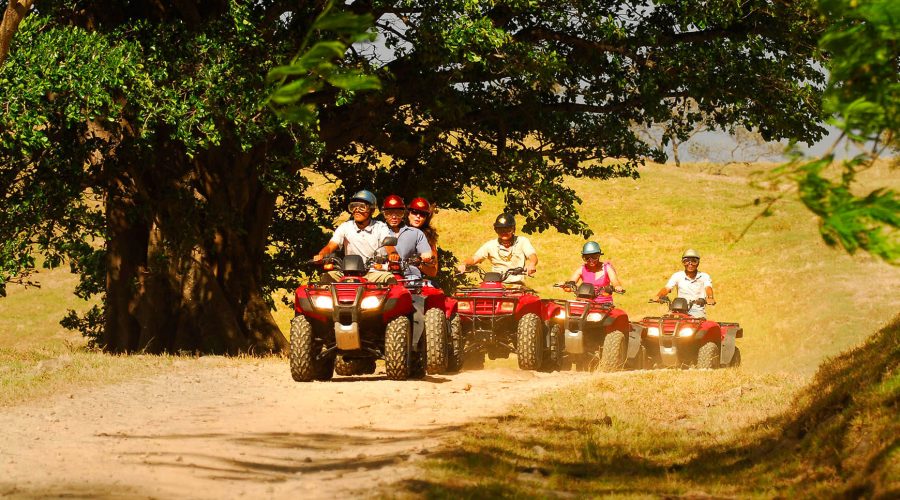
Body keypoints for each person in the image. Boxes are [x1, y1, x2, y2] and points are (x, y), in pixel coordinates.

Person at [312, 190, 397, 283]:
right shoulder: (345, 227)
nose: (357, 210)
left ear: (372, 210)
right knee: (327, 276)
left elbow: (389, 246)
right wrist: (321, 255)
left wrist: (393, 254)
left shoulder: (380, 227)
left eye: (362, 207)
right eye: (353, 207)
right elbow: (330, 246)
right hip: (348, 273)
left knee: (389, 278)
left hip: (373, 272)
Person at [456, 213, 537, 284]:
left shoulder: (522, 241)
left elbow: (532, 255)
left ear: (513, 229)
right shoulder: (490, 245)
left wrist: (532, 264)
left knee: (515, 300)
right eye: (500, 230)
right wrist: (464, 264)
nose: (504, 232)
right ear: (496, 230)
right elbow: (474, 258)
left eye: (507, 229)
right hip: (496, 283)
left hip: (517, 283)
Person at [381, 194, 433, 279]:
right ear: (384, 214)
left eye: (398, 213)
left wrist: (426, 256)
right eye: (389, 213)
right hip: (383, 275)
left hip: (409, 276)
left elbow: (426, 253)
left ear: (404, 214)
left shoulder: (416, 233)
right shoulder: (378, 230)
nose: (394, 217)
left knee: (424, 289)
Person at [654, 248, 716, 318]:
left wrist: (710, 298)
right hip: (679, 309)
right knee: (666, 321)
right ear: (682, 262)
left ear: (698, 262)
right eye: (686, 261)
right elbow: (667, 288)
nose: (690, 264)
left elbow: (708, 288)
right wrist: (658, 296)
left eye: (694, 261)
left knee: (696, 325)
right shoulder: (677, 275)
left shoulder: (704, 276)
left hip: (697, 310)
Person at [407, 197, 439, 277]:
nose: (418, 216)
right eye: (414, 212)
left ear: (426, 218)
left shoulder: (429, 237)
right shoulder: (397, 231)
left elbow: (433, 272)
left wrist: (418, 264)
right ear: (408, 214)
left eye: (422, 214)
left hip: (416, 279)